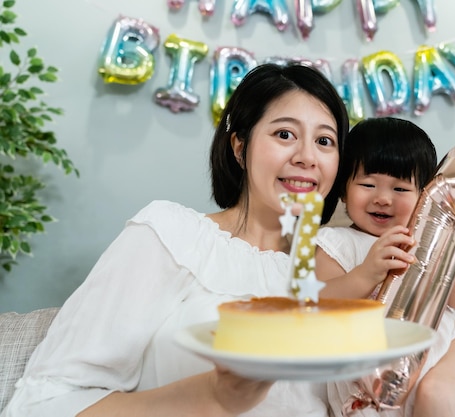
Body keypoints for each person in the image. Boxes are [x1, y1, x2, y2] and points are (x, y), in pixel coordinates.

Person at [1, 63, 350, 417]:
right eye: (285, 134)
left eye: (324, 141)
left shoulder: (339, 270)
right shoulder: (171, 235)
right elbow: (43, 404)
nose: (307, 157)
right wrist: (214, 396)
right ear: (239, 147)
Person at [315, 117, 455, 417]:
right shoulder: (336, 242)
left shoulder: (429, 238)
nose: (382, 199)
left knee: (441, 394)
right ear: (343, 190)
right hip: (377, 372)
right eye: (368, 184)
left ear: (425, 195)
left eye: (400, 189)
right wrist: (366, 273)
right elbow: (319, 302)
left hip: (446, 343)